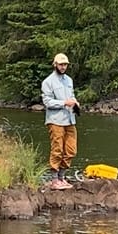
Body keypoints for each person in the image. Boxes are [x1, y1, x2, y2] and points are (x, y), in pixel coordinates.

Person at [41, 53, 79, 190]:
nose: (63, 67)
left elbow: (72, 95)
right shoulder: (48, 82)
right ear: (55, 64)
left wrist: (75, 102)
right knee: (57, 149)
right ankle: (54, 180)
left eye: (65, 65)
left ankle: (62, 177)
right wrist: (64, 103)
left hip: (70, 119)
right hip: (55, 120)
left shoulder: (69, 80)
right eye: (61, 64)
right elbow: (47, 102)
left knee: (71, 150)